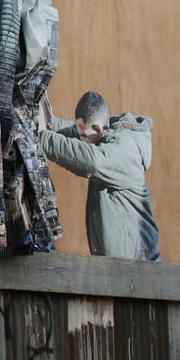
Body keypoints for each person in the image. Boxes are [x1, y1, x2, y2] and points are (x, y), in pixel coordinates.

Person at [40, 91, 162, 261]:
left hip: (140, 267)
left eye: (83, 136)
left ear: (98, 129)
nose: (82, 140)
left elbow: (92, 161)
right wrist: (45, 122)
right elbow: (71, 131)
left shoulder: (124, 151)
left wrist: (41, 138)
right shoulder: (100, 136)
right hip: (120, 267)